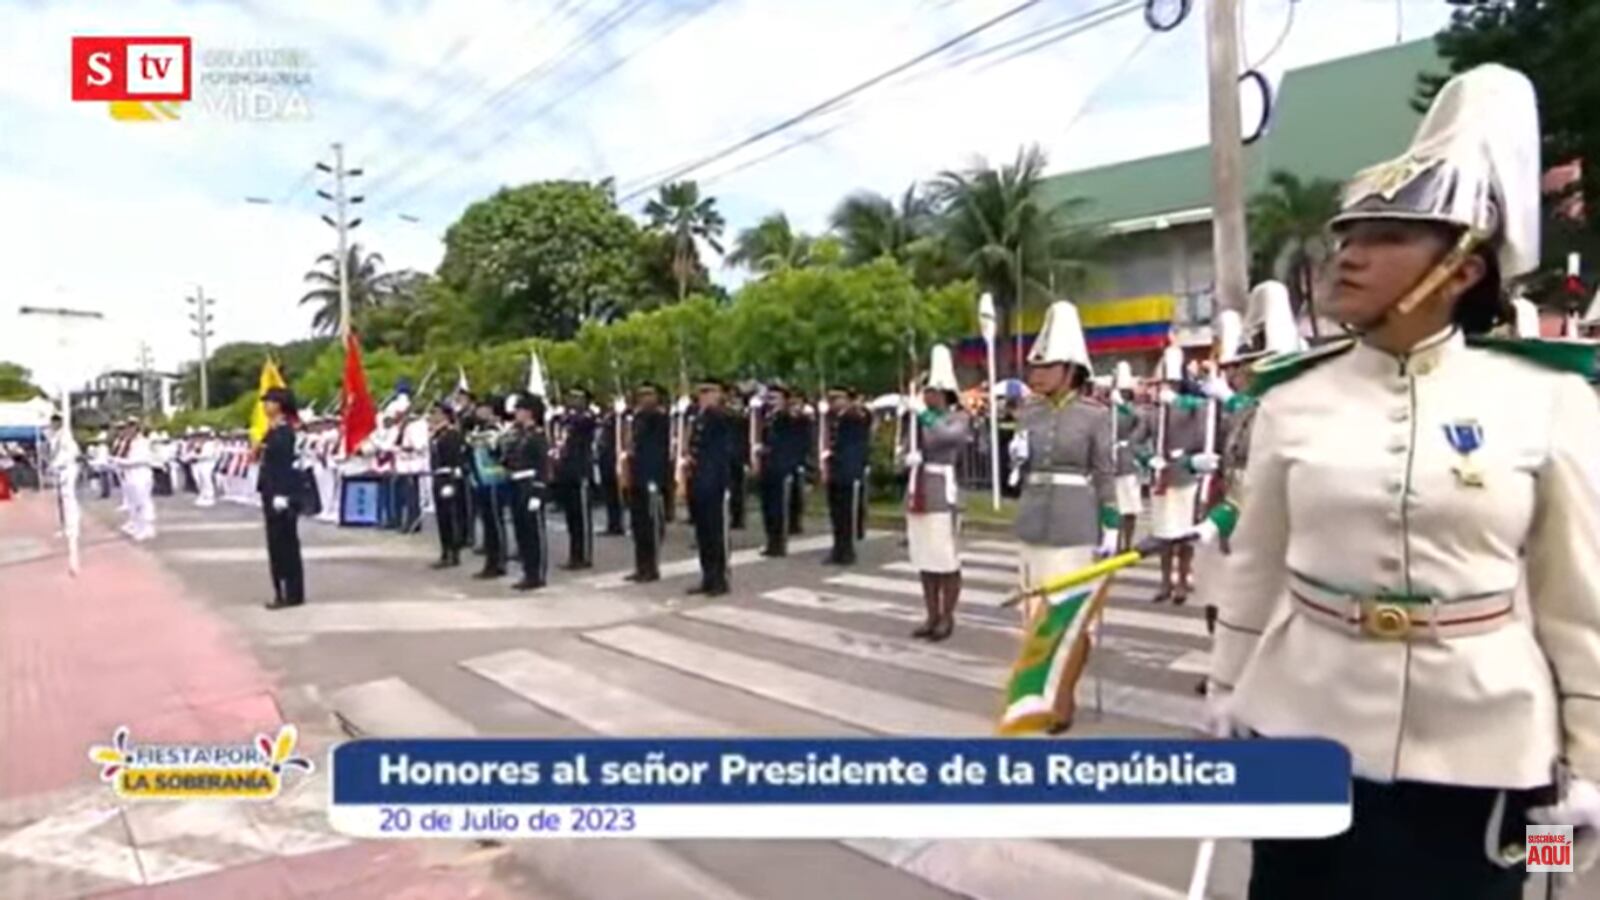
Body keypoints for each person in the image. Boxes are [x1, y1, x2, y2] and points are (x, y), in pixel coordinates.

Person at [1210, 65, 1600, 899]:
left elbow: (1579, 603)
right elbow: (1256, 568)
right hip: (1299, 731)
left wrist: (1593, 771)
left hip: (1494, 756)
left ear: (1462, 269)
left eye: (1385, 236)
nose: (1348, 254)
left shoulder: (1552, 400)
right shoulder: (1292, 401)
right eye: (1347, 234)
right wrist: (1224, 691)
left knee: (1524, 885)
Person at [1008, 301, 1117, 702]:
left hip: (1074, 521)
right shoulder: (1028, 413)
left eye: (1045, 367)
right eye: (1034, 368)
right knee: (1034, 611)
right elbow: (1020, 470)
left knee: (1069, 613)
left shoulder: (1094, 415)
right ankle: (1040, 686)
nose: (1035, 375)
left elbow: (1104, 470)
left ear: (1070, 369)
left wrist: (1110, 520)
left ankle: (1066, 693)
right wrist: (1016, 459)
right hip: (1033, 516)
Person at [902, 345, 972, 641]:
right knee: (925, 559)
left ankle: (947, 616)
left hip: (943, 492)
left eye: (931, 391)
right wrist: (904, 456)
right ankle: (931, 614)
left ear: (944, 393)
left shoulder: (958, 417)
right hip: (918, 489)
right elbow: (906, 447)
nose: (926, 397)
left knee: (945, 560)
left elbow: (949, 437)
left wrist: (925, 417)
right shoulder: (918, 418)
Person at [1148, 343, 1207, 605]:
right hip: (1161, 478)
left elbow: (1207, 414)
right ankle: (1165, 582)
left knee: (1183, 535)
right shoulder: (1154, 411)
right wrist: (1147, 457)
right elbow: (1138, 439)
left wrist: (1182, 456)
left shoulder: (1191, 407)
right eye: (1165, 382)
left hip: (1184, 476)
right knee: (1163, 535)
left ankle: (1183, 581)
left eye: (1172, 381)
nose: (1167, 386)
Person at [258, 388, 305, 609]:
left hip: (281, 494)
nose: (265, 406)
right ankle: (281, 590)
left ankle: (291, 593)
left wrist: (283, 494)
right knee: (275, 545)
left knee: (285, 544)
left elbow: (287, 466)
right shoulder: (272, 431)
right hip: (269, 491)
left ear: (280, 405)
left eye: (270, 401)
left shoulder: (285, 432)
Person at [686, 377, 734, 596]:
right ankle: (707, 576)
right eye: (702, 391)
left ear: (721, 394)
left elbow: (726, 421)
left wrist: (715, 405)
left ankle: (720, 579)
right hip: (699, 479)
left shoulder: (721, 415)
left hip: (716, 480)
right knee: (703, 533)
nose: (705, 395)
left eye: (710, 391)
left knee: (717, 533)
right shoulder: (699, 416)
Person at [503, 392, 550, 592]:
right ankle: (527, 570)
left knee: (534, 532)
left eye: (520, 411)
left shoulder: (537, 435)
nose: (517, 415)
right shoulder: (518, 434)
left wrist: (539, 491)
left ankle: (536, 573)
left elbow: (543, 464)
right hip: (517, 483)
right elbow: (508, 459)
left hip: (531, 483)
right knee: (521, 530)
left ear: (529, 413)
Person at [625, 382, 671, 583]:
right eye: (641, 394)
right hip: (636, 475)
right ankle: (640, 565)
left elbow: (663, 450)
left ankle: (651, 567)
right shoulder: (637, 418)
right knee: (638, 524)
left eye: (649, 394)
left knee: (652, 523)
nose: (645, 399)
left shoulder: (660, 419)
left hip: (653, 476)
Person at [823, 385, 872, 565]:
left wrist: (854, 405)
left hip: (850, 469)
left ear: (848, 400)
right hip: (836, 468)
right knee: (836, 513)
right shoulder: (833, 417)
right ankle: (838, 548)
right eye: (832, 398)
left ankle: (847, 551)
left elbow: (863, 416)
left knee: (847, 513)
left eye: (838, 398)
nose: (834, 402)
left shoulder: (856, 416)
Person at [757, 384, 807, 557]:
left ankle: (779, 543)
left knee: (780, 507)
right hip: (768, 465)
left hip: (783, 466)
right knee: (767, 506)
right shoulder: (767, 417)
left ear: (785, 401)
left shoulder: (790, 417)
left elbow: (797, 440)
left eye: (775, 398)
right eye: (769, 398)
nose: (770, 402)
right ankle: (771, 541)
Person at [465, 398, 511, 579]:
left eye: (483, 409)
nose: (478, 412)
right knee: (487, 523)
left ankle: (499, 561)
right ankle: (490, 561)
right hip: (480, 480)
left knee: (496, 523)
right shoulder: (477, 430)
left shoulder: (498, 430)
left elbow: (502, 454)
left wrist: (495, 444)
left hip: (495, 480)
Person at [554, 387, 598, 570]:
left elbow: (581, 424)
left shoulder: (587, 418)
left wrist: (566, 417)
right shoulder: (565, 419)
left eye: (577, 398)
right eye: (570, 398)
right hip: (566, 471)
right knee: (571, 517)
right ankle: (574, 554)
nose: (573, 401)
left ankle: (584, 555)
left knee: (582, 517)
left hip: (581, 471)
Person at [428, 403, 467, 569]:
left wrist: (453, 479)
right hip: (438, 475)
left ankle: (453, 552)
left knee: (451, 516)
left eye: (436, 413)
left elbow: (457, 458)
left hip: (449, 477)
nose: (433, 416)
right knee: (442, 517)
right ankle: (445, 550)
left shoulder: (452, 434)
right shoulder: (437, 435)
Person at [114, 420, 157, 541]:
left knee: (142, 502)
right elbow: (121, 455)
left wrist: (120, 462)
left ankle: (146, 527)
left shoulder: (142, 442)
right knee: (133, 503)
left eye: (131, 428)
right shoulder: (127, 442)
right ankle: (137, 526)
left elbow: (140, 459)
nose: (128, 430)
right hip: (129, 474)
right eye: (127, 428)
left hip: (141, 473)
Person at [596, 399, 627, 536]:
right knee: (608, 493)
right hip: (605, 458)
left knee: (615, 493)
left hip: (614, 457)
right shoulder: (606, 417)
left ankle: (618, 524)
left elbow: (622, 436)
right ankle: (612, 523)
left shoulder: (620, 417)